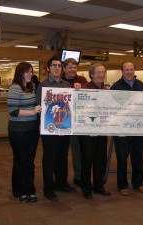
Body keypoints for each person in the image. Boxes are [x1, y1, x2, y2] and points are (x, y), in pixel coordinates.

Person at [36, 56, 76, 201]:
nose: (57, 68)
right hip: (50, 129)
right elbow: (41, 109)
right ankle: (48, 188)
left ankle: (61, 183)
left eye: (59, 65)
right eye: (54, 65)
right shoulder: (43, 85)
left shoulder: (67, 85)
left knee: (62, 157)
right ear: (48, 68)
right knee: (49, 158)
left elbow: (70, 107)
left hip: (65, 128)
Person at [110, 61, 143, 196]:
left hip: (138, 128)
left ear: (135, 70)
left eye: (131, 69)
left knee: (138, 157)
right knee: (122, 158)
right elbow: (112, 109)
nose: (129, 72)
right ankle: (122, 184)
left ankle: (139, 182)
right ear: (122, 71)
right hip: (122, 130)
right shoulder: (116, 87)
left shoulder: (140, 84)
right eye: (127, 70)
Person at [7, 62, 41, 202]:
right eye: (27, 71)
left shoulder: (31, 87)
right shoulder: (15, 88)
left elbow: (34, 106)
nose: (30, 74)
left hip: (32, 129)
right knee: (20, 161)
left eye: (31, 71)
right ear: (20, 73)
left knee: (30, 161)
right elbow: (13, 111)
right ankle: (19, 191)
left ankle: (30, 190)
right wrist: (32, 111)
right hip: (18, 131)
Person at [78, 63, 111, 199]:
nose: (101, 75)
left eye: (103, 72)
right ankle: (86, 188)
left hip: (101, 131)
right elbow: (80, 111)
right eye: (98, 72)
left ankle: (98, 186)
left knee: (100, 160)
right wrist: (88, 127)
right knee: (87, 161)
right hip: (87, 132)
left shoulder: (105, 90)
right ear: (91, 74)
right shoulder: (85, 89)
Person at [61, 58, 88, 187]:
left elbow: (88, 98)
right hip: (62, 121)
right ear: (64, 68)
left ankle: (78, 176)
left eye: (75, 67)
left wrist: (81, 89)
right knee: (61, 151)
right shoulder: (59, 80)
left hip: (77, 121)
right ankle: (61, 180)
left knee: (77, 151)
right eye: (70, 67)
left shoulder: (82, 81)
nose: (73, 69)